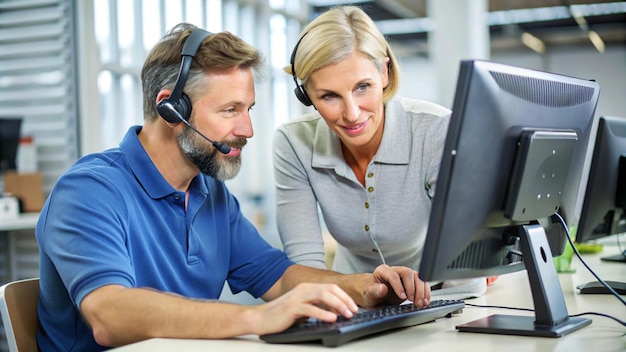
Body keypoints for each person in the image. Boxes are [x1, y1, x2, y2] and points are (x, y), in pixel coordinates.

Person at [35, 23, 431, 351]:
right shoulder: (89, 191)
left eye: (248, 109)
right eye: (230, 111)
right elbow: (109, 315)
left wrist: (366, 288)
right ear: (170, 108)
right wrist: (258, 317)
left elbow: (277, 276)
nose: (248, 130)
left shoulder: (210, 192)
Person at [274, 6, 490, 296]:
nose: (351, 114)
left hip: (437, 296)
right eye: (328, 95)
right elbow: (305, 272)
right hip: (348, 299)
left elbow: (467, 270)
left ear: (385, 72)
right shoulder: (293, 142)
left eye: (363, 87)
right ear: (306, 96)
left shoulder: (435, 130)